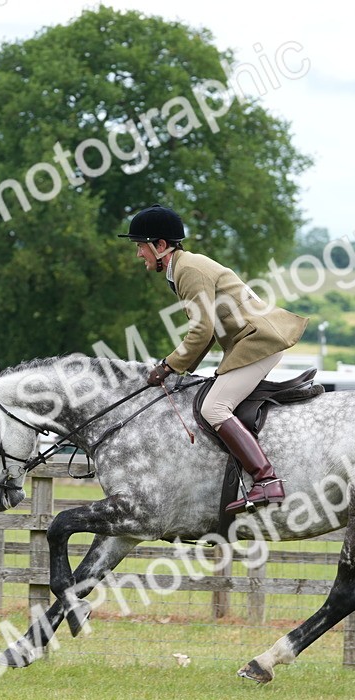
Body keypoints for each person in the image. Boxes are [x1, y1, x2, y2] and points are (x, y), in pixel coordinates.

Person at [120, 204, 307, 515]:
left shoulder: (187, 271)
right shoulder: (182, 267)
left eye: (141, 246)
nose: (139, 254)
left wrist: (167, 366)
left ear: (160, 246)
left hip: (259, 342)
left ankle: (266, 480)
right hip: (250, 341)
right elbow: (205, 333)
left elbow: (201, 330)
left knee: (213, 407)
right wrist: (177, 369)